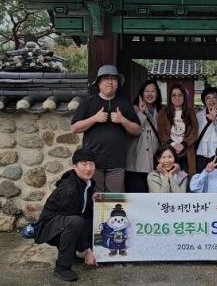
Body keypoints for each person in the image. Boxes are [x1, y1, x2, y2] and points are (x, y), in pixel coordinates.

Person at [71, 65, 141, 193]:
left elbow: (137, 130)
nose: (110, 82)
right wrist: (94, 118)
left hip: (117, 162)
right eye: (106, 79)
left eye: (113, 79)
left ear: (118, 83)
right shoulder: (88, 102)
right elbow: (75, 128)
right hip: (92, 163)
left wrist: (122, 120)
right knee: (94, 198)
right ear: (99, 83)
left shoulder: (124, 103)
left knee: (114, 200)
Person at [34, 149, 98, 282]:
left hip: (61, 222)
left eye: (91, 164)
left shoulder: (86, 183)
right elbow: (75, 218)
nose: (88, 168)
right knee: (75, 222)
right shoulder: (70, 189)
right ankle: (62, 267)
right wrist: (87, 250)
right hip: (48, 229)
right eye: (84, 164)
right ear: (74, 166)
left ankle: (71, 255)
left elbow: (84, 212)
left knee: (89, 218)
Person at [125, 80, 162, 193]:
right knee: (137, 196)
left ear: (157, 94)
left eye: (153, 91)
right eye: (146, 91)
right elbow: (130, 132)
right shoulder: (132, 110)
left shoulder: (161, 112)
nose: (150, 94)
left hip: (155, 164)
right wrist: (141, 113)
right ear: (141, 93)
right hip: (136, 164)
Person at [158, 84, 198, 175]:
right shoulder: (163, 112)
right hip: (169, 153)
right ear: (170, 97)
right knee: (169, 179)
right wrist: (173, 144)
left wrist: (183, 145)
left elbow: (194, 131)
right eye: (174, 95)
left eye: (180, 95)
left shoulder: (190, 112)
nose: (177, 98)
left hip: (187, 153)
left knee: (186, 179)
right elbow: (161, 132)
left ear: (184, 97)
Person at [195, 86, 217, 173]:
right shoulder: (198, 116)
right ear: (204, 101)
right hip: (200, 155)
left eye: (214, 97)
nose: (211, 100)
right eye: (208, 98)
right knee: (201, 178)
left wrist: (215, 121)